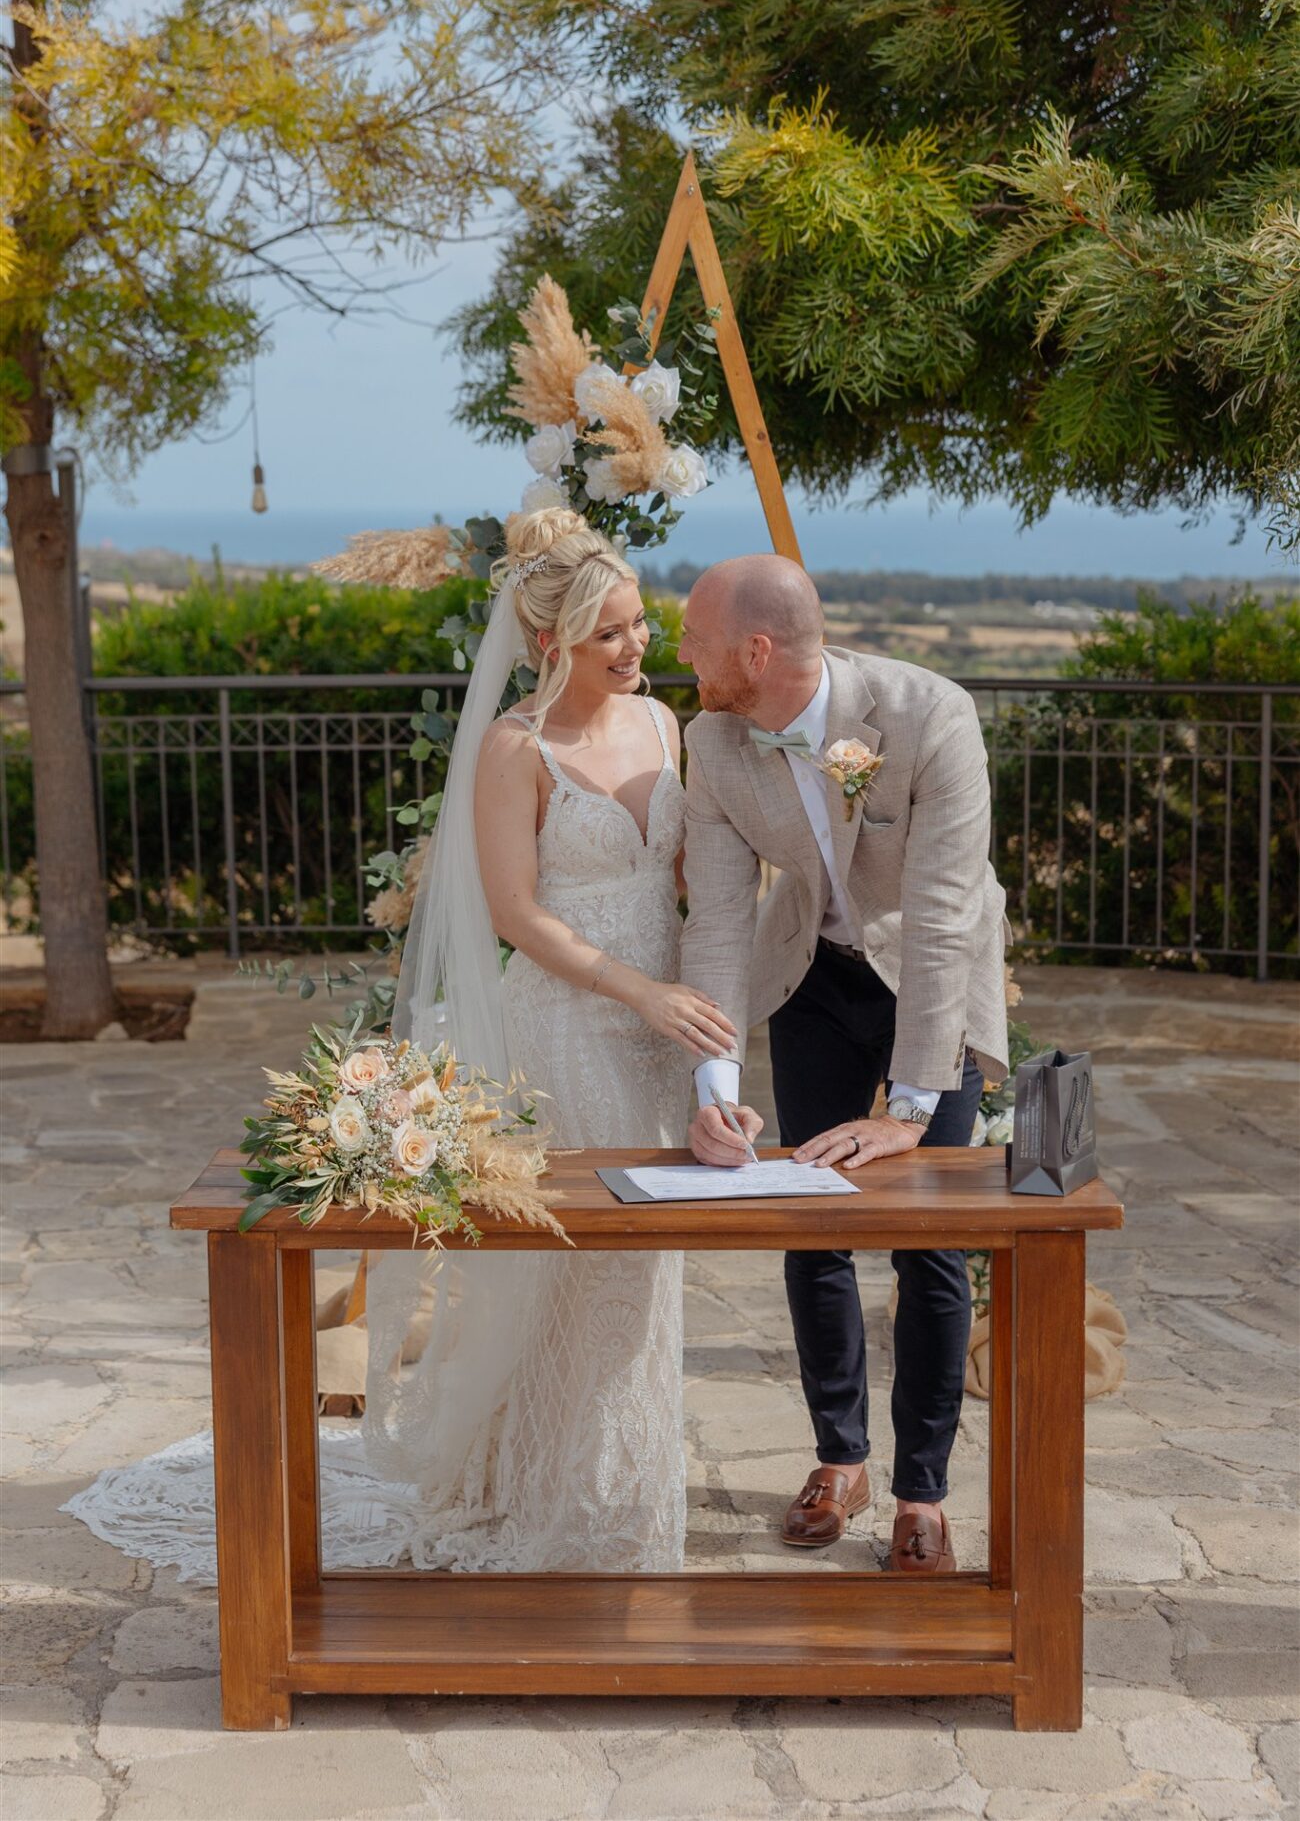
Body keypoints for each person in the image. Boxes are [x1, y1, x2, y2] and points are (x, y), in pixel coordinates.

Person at [64, 507, 729, 1579]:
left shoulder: (664, 730)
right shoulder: (514, 751)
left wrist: (711, 978)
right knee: (574, 1277)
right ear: (551, 642)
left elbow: (690, 878)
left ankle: (615, 1498)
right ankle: (531, 1493)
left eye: (639, 624)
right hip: (574, 1031)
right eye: (610, 632)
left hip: (661, 1038)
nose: (635, 646)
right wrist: (633, 991)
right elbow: (517, 913)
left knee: (646, 1278)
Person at [677, 555, 1009, 1575]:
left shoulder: (929, 716)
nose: (681, 660)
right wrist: (715, 1093)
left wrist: (910, 1108)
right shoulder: (714, 741)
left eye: (695, 643)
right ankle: (838, 1458)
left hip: (927, 978)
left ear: (755, 650)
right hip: (810, 975)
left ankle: (921, 1493)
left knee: (928, 1245)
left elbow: (947, 916)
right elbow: (721, 923)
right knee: (809, 1222)